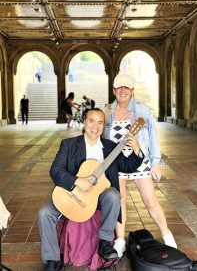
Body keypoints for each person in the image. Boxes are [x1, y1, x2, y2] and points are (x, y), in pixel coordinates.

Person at [38, 108, 144, 271]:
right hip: (71, 193)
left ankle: (104, 242)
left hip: (99, 198)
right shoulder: (69, 144)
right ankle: (51, 260)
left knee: (114, 195)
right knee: (45, 213)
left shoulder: (110, 147)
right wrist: (77, 181)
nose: (95, 126)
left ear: (103, 125)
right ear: (84, 122)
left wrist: (136, 149)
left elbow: (128, 166)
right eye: (91, 121)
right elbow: (56, 170)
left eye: (100, 122)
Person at [103, 73, 177, 258]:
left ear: (132, 91)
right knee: (120, 203)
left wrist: (156, 162)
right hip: (116, 163)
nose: (122, 91)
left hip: (140, 161)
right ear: (113, 90)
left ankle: (167, 235)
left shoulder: (143, 110)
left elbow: (153, 136)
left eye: (126, 87)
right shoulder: (106, 112)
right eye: (119, 87)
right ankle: (120, 241)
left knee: (150, 200)